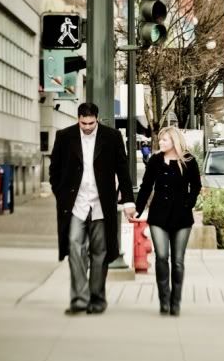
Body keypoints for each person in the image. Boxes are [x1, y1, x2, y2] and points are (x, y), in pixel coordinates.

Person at [49, 102, 136, 316]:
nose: (87, 127)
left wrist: (128, 200)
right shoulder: (64, 136)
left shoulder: (112, 137)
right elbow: (54, 170)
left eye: (91, 123)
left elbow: (123, 170)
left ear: (97, 119)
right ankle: (79, 298)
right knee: (73, 246)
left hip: (100, 204)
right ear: (78, 119)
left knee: (100, 252)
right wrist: (60, 194)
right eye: (83, 123)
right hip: (75, 204)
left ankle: (97, 299)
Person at [134, 126, 202, 316]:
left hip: (182, 217)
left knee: (178, 261)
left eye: (165, 140)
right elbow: (146, 186)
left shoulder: (188, 160)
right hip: (158, 216)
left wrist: (189, 203)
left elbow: (196, 186)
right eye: (161, 140)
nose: (161, 142)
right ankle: (164, 300)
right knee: (162, 257)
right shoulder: (155, 160)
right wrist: (138, 210)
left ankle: (175, 302)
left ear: (174, 141)